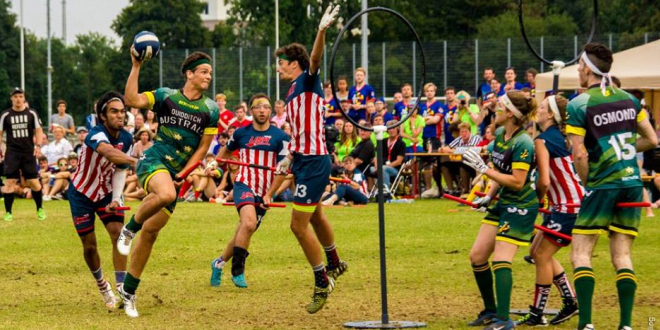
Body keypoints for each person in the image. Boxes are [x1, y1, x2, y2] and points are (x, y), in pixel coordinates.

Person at [115, 50, 219, 318]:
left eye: (210, 72)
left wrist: (185, 172)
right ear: (190, 74)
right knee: (164, 194)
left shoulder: (211, 110)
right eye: (204, 71)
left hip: (178, 172)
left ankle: (128, 292)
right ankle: (128, 229)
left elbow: (203, 148)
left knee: (151, 233)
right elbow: (132, 99)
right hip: (154, 159)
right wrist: (135, 66)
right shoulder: (166, 96)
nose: (209, 76)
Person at [566, 43, 657, 330]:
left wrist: (587, 182)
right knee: (622, 256)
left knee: (580, 252)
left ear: (584, 68)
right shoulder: (630, 100)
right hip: (631, 182)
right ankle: (626, 325)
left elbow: (579, 153)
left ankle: (587, 324)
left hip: (602, 184)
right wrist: (627, 148)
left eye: (579, 67)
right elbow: (652, 140)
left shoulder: (579, 103)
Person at [273, 5, 347, 314]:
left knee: (297, 225)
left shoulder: (307, 79)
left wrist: (321, 31)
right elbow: (303, 128)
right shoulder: (293, 90)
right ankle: (334, 262)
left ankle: (321, 281)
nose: (277, 69)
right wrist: (289, 156)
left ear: (293, 64)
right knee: (315, 215)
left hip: (316, 161)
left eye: (281, 64)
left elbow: (315, 59)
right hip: (303, 160)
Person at [461, 90, 538, 330]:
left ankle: (505, 321)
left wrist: (484, 170)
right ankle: (491, 311)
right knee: (477, 256)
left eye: (501, 107)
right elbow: (498, 169)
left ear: (512, 114)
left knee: (501, 259)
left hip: (521, 205)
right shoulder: (502, 135)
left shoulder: (524, 142)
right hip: (503, 202)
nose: (495, 110)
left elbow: (516, 181)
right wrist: (489, 195)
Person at [513, 94, 582, 327]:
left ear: (551, 114)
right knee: (535, 252)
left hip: (567, 207)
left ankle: (537, 313)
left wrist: (536, 202)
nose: (538, 110)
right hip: (563, 205)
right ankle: (571, 301)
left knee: (542, 255)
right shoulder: (559, 137)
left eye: (542, 107)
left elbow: (543, 181)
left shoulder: (542, 140)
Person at [210, 93, 290, 288]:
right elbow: (225, 152)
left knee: (244, 230)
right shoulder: (240, 133)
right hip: (244, 183)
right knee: (249, 223)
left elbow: (282, 169)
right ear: (251, 110)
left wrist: (269, 194)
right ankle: (238, 271)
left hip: (266, 189)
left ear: (270, 111)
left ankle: (218, 263)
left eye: (266, 107)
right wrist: (215, 163)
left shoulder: (281, 137)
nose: (262, 110)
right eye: (258, 107)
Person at [67, 92, 136, 310]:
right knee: (89, 246)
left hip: (107, 191)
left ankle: (123, 289)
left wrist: (116, 198)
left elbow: (120, 168)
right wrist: (141, 162)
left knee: (119, 234)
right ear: (103, 116)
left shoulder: (127, 138)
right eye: (114, 111)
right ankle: (103, 286)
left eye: (122, 111)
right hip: (82, 193)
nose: (119, 115)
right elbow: (110, 154)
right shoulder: (95, 134)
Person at [0, 87, 47, 221]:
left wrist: (38, 145)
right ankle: (8, 212)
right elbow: (0, 133)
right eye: (15, 97)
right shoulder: (5, 115)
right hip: (12, 152)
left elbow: (38, 130)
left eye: (20, 96)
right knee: (10, 181)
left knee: (33, 181)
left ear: (24, 98)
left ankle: (39, 208)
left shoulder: (31, 113)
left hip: (28, 151)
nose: (18, 99)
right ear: (11, 99)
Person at [439, 122, 483, 197]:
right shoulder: (459, 139)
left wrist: (453, 150)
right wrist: (442, 149)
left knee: (463, 166)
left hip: (474, 164)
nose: (463, 134)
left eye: (466, 131)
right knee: (444, 164)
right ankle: (451, 191)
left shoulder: (476, 138)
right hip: (460, 162)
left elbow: (469, 149)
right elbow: (447, 148)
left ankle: (465, 191)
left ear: (470, 132)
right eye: (462, 132)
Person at [369, 120, 406, 195]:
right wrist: (377, 166)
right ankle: (370, 192)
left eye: (394, 128)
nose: (391, 130)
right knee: (370, 169)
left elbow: (399, 161)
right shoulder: (382, 141)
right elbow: (376, 156)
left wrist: (383, 167)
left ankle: (385, 192)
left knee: (383, 169)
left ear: (397, 129)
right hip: (380, 167)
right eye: (389, 128)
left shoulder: (401, 143)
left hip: (394, 169)